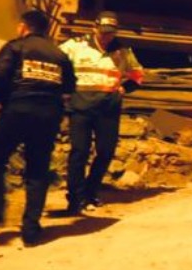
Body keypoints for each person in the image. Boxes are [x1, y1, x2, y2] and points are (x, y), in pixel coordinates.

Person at [0, 9, 76, 245]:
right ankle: (31, 230)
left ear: (24, 27)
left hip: (18, 109)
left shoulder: (15, 47)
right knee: (37, 169)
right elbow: (69, 86)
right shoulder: (59, 55)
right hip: (48, 115)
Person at [60, 11, 144, 214]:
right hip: (81, 107)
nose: (107, 37)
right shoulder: (75, 46)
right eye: (103, 32)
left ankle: (90, 191)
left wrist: (125, 89)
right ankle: (75, 198)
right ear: (94, 28)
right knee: (79, 152)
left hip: (108, 108)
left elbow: (138, 74)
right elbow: (56, 62)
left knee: (106, 152)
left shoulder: (122, 50)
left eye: (111, 33)